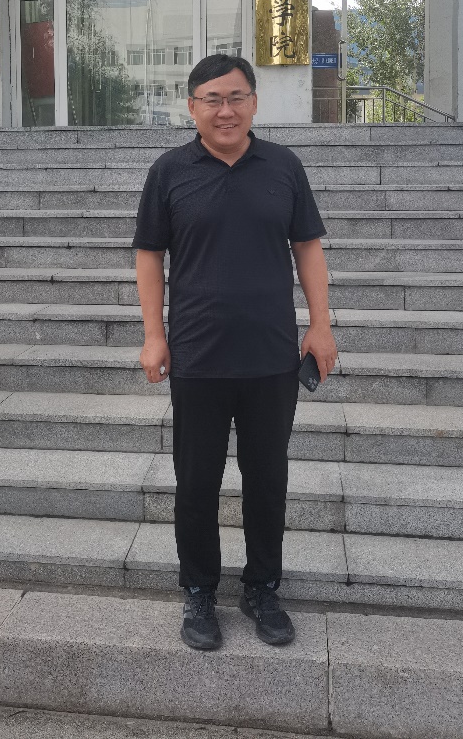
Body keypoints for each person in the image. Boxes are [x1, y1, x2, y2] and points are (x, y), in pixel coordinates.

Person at [133, 53, 337, 651]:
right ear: (192, 107)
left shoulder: (283, 167)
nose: (225, 111)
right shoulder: (170, 172)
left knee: (267, 478)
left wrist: (321, 325)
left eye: (236, 97)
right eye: (212, 100)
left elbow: (308, 246)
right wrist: (153, 334)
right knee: (196, 481)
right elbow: (149, 255)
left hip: (271, 355)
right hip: (196, 355)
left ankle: (262, 588)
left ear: (253, 102)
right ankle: (199, 590)